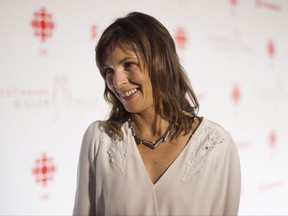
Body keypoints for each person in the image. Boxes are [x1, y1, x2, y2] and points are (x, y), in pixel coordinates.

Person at [73, 12, 241, 216]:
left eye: (128, 65)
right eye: (108, 70)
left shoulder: (216, 145)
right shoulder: (99, 140)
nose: (117, 82)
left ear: (160, 62)